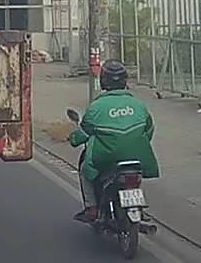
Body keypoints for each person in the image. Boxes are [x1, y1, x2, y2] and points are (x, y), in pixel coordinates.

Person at [69, 59, 160, 223]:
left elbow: (83, 133)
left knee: (84, 170)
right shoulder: (138, 105)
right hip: (137, 157)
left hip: (106, 159)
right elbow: (149, 129)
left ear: (103, 81)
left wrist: (73, 139)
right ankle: (137, 208)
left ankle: (91, 208)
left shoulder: (96, 107)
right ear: (125, 80)